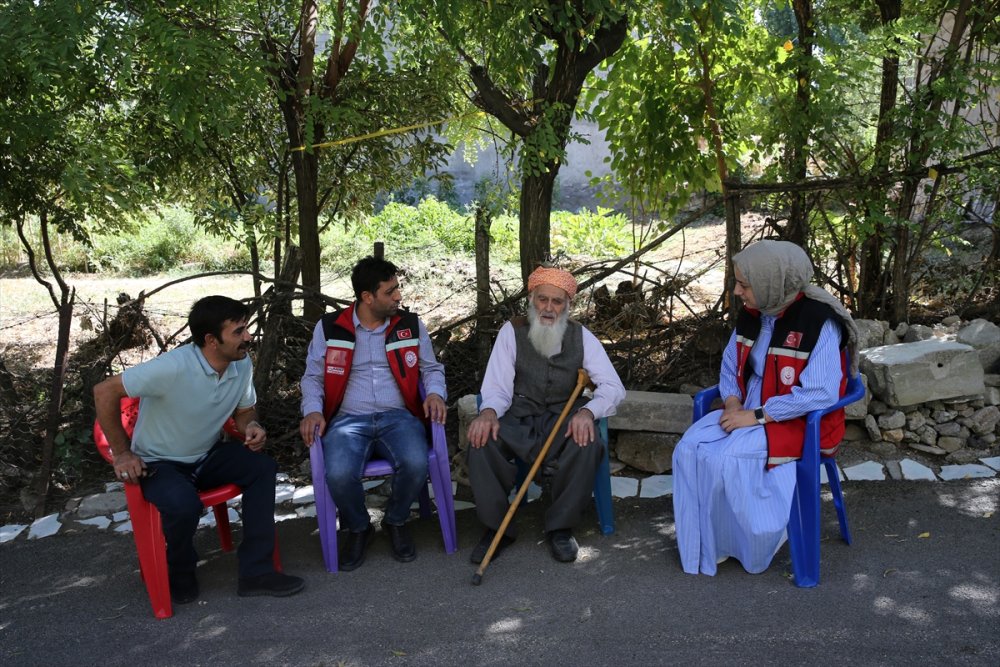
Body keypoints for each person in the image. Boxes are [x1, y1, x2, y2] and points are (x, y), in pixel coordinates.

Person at [93, 296, 305, 604]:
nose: (248, 337)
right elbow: (104, 391)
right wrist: (122, 453)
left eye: (247, 327)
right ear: (211, 340)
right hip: (159, 462)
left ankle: (256, 572)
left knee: (263, 468)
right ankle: (180, 568)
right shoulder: (173, 367)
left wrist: (251, 427)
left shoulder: (240, 362)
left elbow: (245, 411)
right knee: (183, 505)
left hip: (207, 454)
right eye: (239, 331)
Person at [672, 240, 859, 576]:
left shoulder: (820, 322)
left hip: (798, 418)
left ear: (773, 282)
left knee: (728, 458)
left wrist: (755, 416)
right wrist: (731, 400)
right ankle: (709, 542)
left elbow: (820, 393)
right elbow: (731, 365)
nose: (736, 291)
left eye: (744, 284)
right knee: (689, 449)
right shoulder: (755, 315)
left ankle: (750, 548)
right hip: (749, 405)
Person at [467, 266, 626, 564]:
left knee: (587, 443)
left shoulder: (582, 337)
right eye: (543, 300)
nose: (549, 308)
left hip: (563, 417)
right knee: (481, 441)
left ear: (568, 305)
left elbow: (613, 387)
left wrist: (588, 412)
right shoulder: (511, 331)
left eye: (557, 302)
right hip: (519, 416)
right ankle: (497, 528)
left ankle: (561, 528)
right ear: (531, 299)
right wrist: (488, 412)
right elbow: (498, 387)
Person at [299, 256, 447, 571]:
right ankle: (358, 526)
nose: (398, 297)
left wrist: (434, 393)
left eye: (397, 289)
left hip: (398, 417)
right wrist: (312, 411)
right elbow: (313, 377)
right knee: (338, 473)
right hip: (348, 421)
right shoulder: (330, 328)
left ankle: (395, 520)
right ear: (368, 297)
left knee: (416, 462)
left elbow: (430, 369)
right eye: (390, 291)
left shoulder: (408, 324)